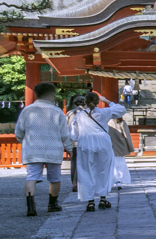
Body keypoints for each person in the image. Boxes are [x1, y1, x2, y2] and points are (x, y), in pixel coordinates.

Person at [14, 83, 73, 215]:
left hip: (32, 150)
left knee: (31, 177)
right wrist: (70, 149)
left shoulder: (27, 110)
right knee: (55, 178)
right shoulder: (57, 111)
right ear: (51, 94)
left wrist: (26, 142)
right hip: (53, 149)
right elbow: (64, 134)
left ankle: (30, 207)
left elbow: (19, 132)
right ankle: (52, 204)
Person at [68, 91, 123, 211]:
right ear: (98, 102)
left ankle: (90, 201)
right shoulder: (105, 112)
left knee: (85, 171)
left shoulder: (79, 115)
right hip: (103, 141)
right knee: (104, 170)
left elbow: (73, 134)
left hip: (85, 141)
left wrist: (81, 137)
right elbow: (121, 109)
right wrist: (107, 101)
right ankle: (103, 199)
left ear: (85, 102)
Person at [107, 112, 134, 190]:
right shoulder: (122, 122)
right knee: (120, 163)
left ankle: (113, 180)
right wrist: (130, 147)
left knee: (112, 164)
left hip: (110, 146)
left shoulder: (108, 122)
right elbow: (127, 135)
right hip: (121, 145)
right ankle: (119, 180)